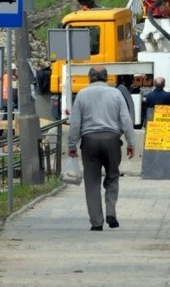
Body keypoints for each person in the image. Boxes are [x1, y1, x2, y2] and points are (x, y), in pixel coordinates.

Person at [67, 66, 135, 231]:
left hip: (89, 142)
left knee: (92, 182)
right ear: (106, 78)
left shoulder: (82, 94)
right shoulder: (116, 94)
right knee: (112, 175)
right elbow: (126, 119)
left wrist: (72, 145)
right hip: (112, 140)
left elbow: (75, 122)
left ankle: (97, 222)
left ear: (89, 78)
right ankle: (111, 212)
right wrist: (131, 142)